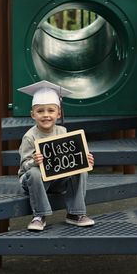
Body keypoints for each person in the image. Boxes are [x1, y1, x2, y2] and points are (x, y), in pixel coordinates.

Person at [18, 80, 95, 231]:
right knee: (34, 172)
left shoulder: (62, 132)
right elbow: (24, 166)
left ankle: (75, 214)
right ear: (33, 114)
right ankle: (39, 216)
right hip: (34, 181)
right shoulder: (30, 137)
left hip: (57, 180)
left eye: (50, 111)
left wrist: (84, 160)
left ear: (58, 113)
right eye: (40, 111)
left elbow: (69, 160)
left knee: (81, 170)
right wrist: (34, 161)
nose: (46, 115)